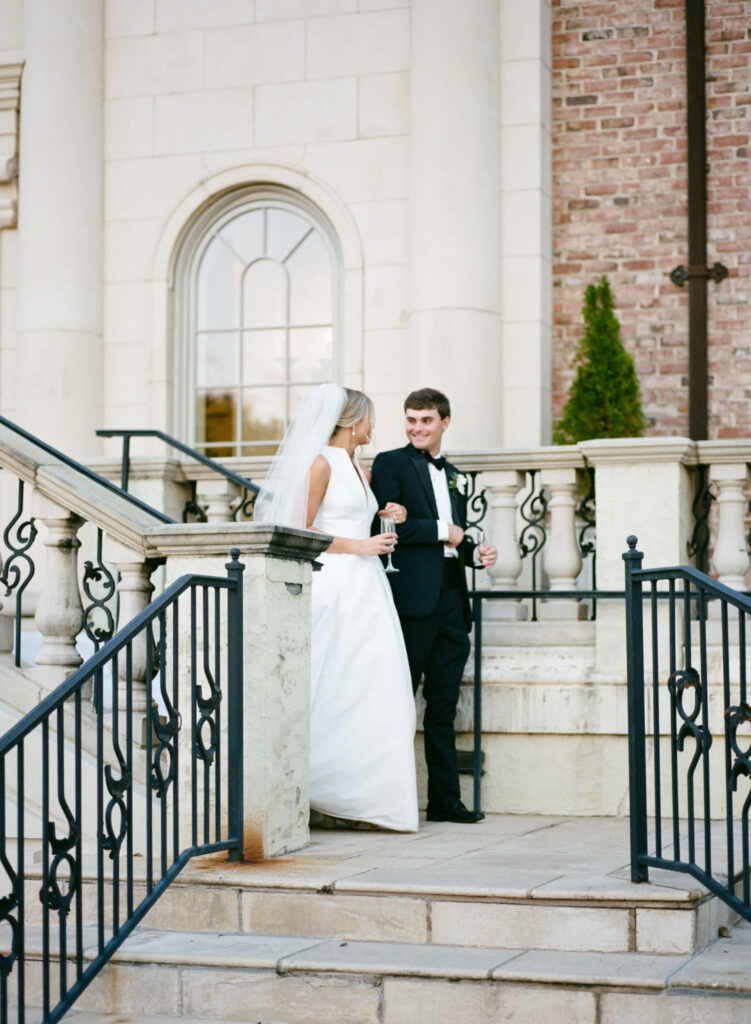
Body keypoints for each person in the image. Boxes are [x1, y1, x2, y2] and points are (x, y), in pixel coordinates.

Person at [255, 383, 419, 832]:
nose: (373, 425)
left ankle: (366, 798)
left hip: (368, 585)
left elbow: (356, 516)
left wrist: (391, 517)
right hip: (336, 582)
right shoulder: (321, 463)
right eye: (369, 417)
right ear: (352, 420)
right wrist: (361, 545)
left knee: (374, 685)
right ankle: (319, 789)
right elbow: (302, 530)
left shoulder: (358, 466)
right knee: (332, 682)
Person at [370, 388, 497, 824]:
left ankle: (445, 801)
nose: (417, 428)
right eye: (411, 420)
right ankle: (388, 799)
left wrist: (475, 553)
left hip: (451, 600)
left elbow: (455, 541)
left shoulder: (457, 475)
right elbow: (384, 527)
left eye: (426, 420)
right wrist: (447, 530)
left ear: (445, 422)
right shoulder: (390, 463)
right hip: (411, 600)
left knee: (443, 707)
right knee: (399, 700)